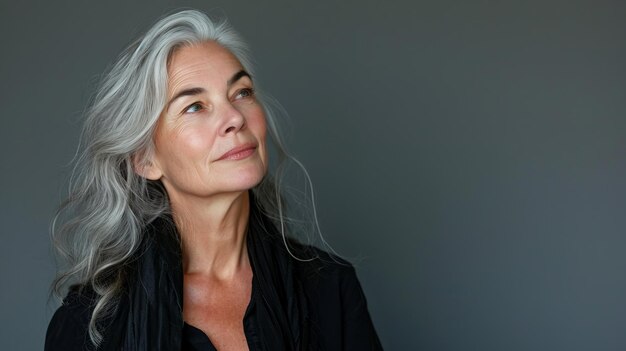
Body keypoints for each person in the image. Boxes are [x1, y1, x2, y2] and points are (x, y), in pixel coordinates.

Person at [45, 9, 382, 351]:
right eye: (195, 106)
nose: (235, 117)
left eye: (242, 92)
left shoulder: (330, 289)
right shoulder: (88, 325)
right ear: (145, 159)